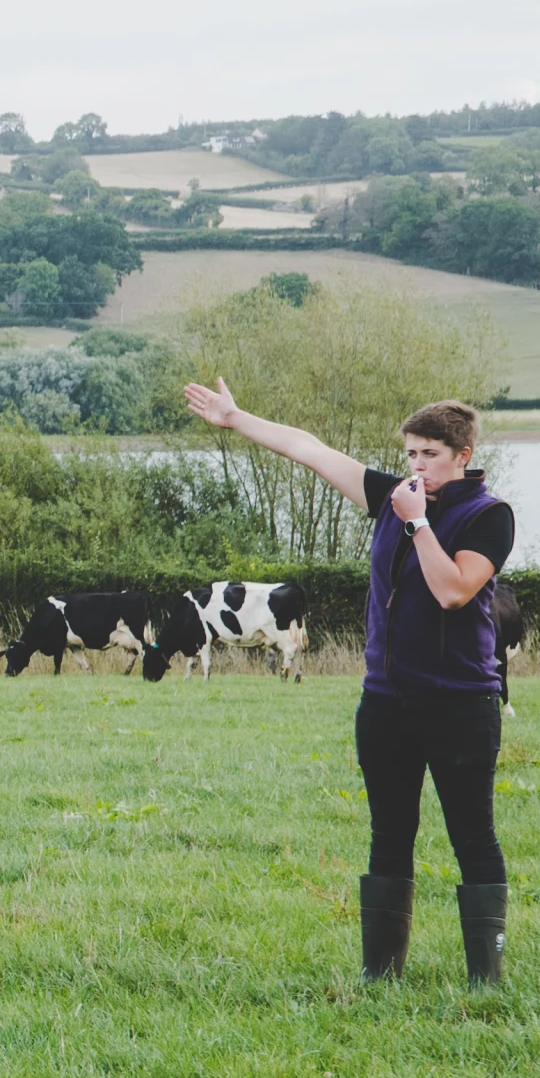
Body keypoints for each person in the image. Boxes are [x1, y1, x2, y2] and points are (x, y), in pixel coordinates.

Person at [179, 382, 513, 982]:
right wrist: (235, 418)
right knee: (389, 834)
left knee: (473, 836)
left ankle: (486, 980)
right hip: (385, 704)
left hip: (462, 705)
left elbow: (454, 590)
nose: (416, 466)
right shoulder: (394, 497)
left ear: (462, 455)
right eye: (410, 454)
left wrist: (417, 525)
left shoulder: (489, 516)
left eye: (429, 454)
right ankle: (379, 975)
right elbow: (309, 448)